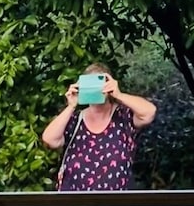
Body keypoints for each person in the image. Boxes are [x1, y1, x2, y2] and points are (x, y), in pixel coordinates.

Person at [42, 62, 157, 191]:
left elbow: (149, 113)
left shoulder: (123, 117)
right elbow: (49, 140)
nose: (96, 89)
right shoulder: (74, 120)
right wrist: (71, 106)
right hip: (75, 205)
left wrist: (118, 95)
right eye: (90, 85)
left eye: (99, 83)